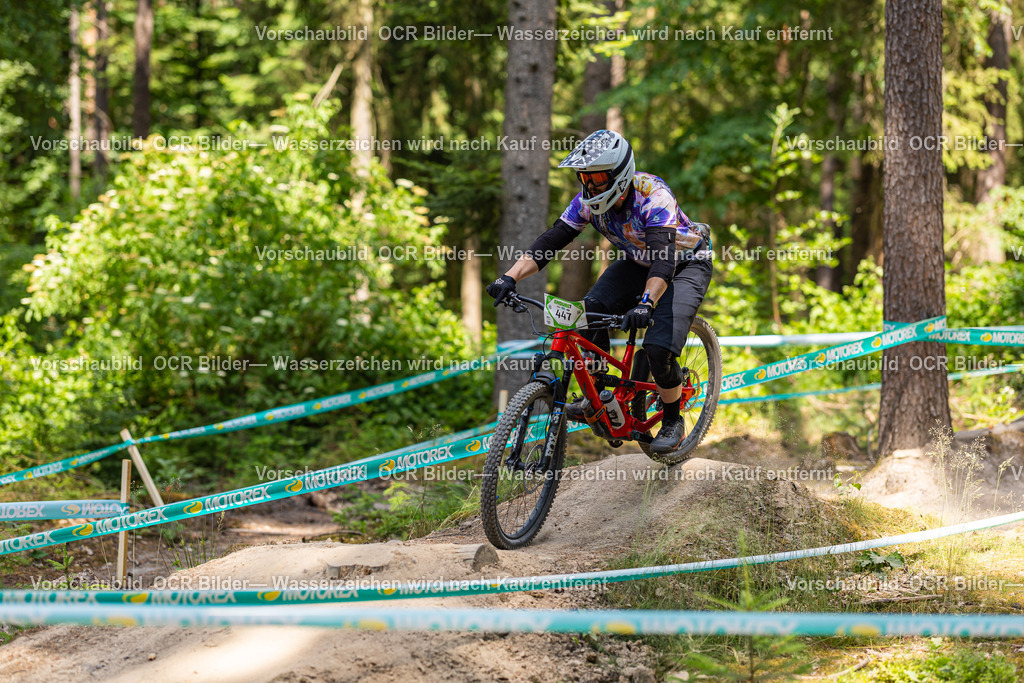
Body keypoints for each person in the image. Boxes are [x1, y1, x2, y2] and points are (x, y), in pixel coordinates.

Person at [486, 129, 713, 455]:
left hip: (684, 263)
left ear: (620, 175)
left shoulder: (654, 196)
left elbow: (664, 263)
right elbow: (551, 241)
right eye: (584, 178)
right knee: (589, 310)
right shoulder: (586, 203)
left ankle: (673, 421)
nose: (589, 186)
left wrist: (647, 303)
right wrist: (509, 278)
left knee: (659, 347)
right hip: (638, 261)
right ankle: (599, 392)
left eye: (597, 178)